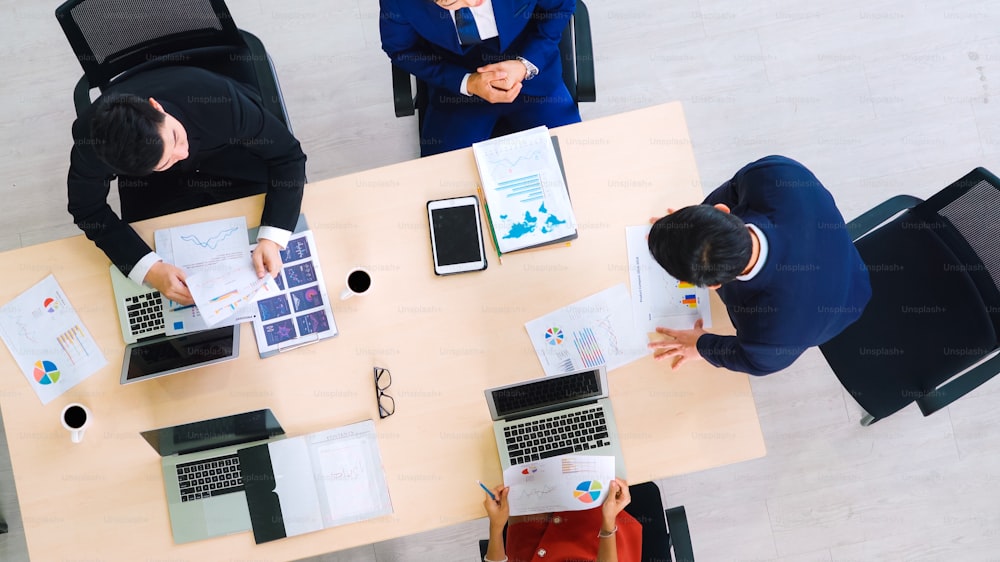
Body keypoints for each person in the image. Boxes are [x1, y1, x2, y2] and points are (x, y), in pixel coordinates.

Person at [68, 66, 306, 306]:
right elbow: (87, 210)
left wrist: (272, 238)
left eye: (175, 138)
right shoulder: (93, 147)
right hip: (158, 187)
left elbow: (287, 155)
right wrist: (150, 269)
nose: (182, 153)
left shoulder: (219, 98)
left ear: (156, 107)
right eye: (167, 160)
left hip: (231, 155)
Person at [646, 155, 872, 376]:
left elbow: (752, 360)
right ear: (722, 210)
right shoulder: (775, 173)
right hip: (829, 250)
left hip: (845, 302)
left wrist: (703, 345)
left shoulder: (771, 334)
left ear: (714, 285)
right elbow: (732, 191)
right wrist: (693, 231)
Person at [379, 0, 582, 156]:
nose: (475, 2)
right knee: (444, 182)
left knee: (575, 160)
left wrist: (525, 65)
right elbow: (401, 49)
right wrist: (466, 82)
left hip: (532, 78)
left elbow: (561, 7)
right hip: (456, 87)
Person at [482, 478, 641, 562]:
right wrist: (608, 521)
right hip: (596, 543)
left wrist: (496, 527)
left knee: (518, 480)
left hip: (530, 551)